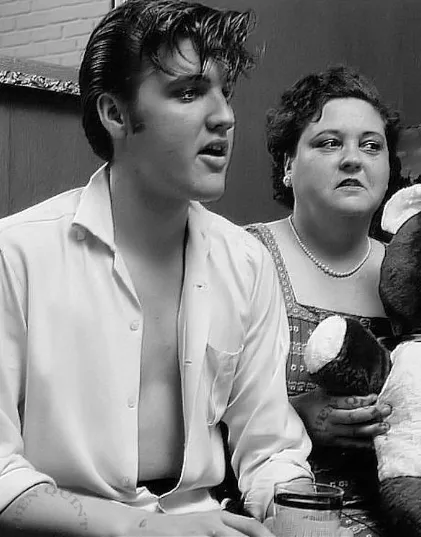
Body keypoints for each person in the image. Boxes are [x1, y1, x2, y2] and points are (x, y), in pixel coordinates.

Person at [0, 1, 317, 536]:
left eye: (224, 91)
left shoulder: (245, 263)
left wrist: (302, 518)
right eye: (188, 92)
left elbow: (271, 449)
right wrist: (143, 530)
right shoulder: (17, 255)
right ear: (115, 114)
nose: (224, 116)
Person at [246, 66, 404, 536]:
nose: (353, 159)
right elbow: (192, 412)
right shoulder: (243, 257)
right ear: (288, 165)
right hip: (278, 512)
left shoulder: (409, 275)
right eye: (329, 143)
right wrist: (297, 415)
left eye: (371, 146)